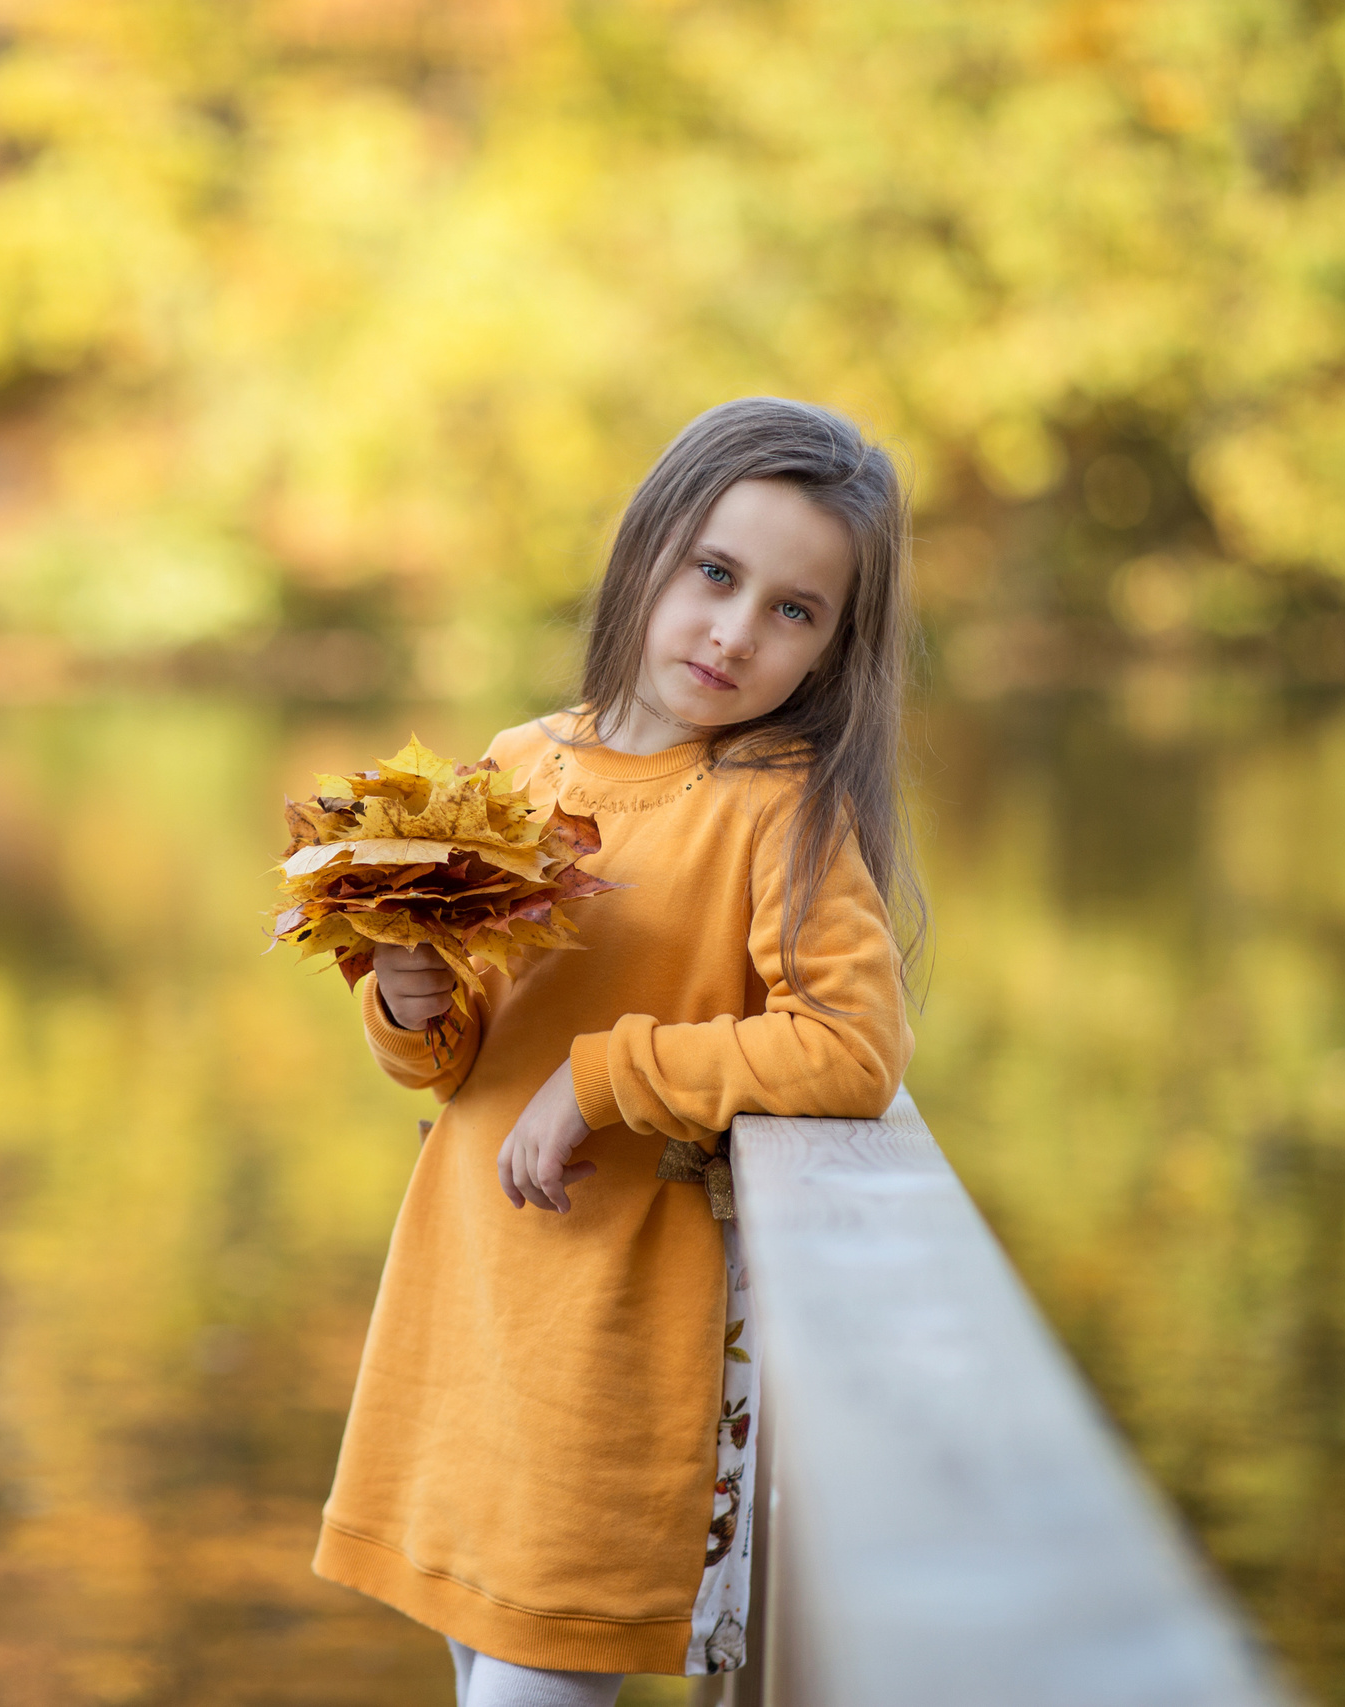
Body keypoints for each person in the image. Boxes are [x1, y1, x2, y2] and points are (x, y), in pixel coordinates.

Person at [311, 397, 923, 1707]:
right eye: (716, 573)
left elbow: (851, 1045)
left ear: (830, 651)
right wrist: (412, 1002)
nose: (736, 631)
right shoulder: (521, 764)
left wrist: (603, 1079)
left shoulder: (776, 810)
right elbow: (459, 1057)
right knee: (476, 1668)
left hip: (608, 1347)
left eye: (793, 610)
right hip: (468, 1310)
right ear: (648, 551)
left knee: (534, 1678)